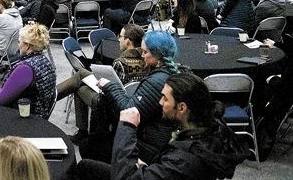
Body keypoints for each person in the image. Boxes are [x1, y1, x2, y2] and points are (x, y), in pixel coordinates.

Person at [77, 73, 247, 180]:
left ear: (182, 107)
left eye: (165, 98)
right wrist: (149, 167)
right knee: (87, 166)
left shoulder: (185, 158)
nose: (160, 102)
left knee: (85, 167)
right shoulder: (214, 127)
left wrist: (127, 128)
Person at [93, 31, 180, 162]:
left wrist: (111, 86)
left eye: (145, 52)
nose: (142, 55)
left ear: (158, 56)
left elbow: (129, 111)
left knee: (89, 148)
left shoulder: (156, 82)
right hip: (157, 140)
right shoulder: (172, 72)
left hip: (148, 147)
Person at [0, 24, 56, 118]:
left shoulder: (25, 69)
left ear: (27, 46)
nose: (18, 45)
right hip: (39, 114)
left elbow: (1, 99)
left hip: (23, 118)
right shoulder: (44, 61)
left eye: (19, 42)